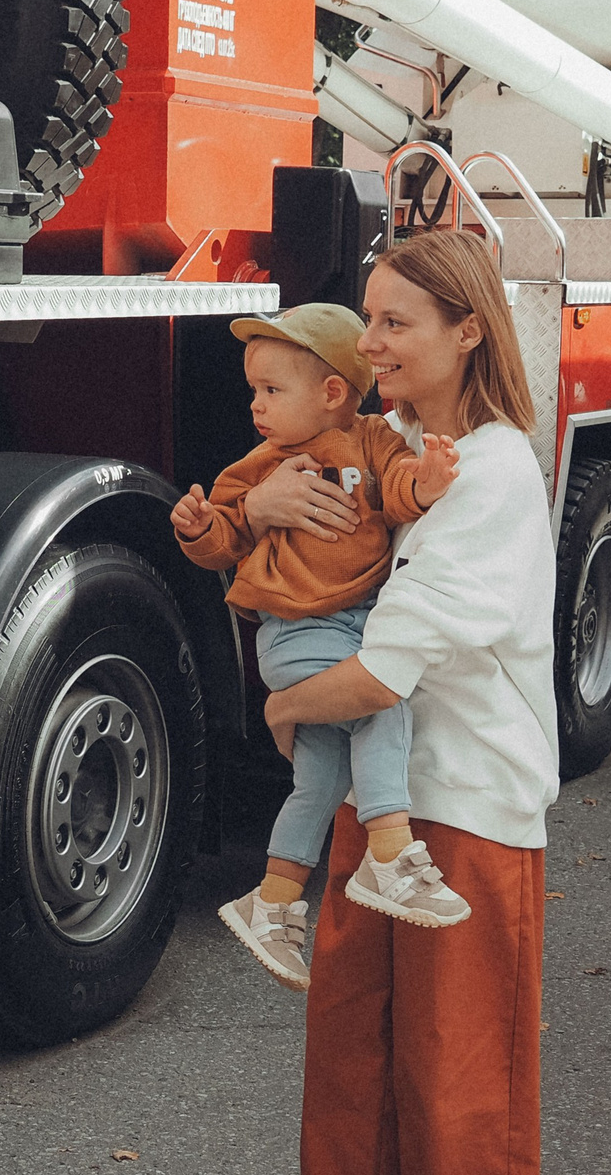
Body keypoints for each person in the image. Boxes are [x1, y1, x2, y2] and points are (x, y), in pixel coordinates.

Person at [231, 227, 560, 1175]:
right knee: (351, 1049)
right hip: (383, 805)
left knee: (452, 1063)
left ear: (468, 330)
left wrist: (287, 711)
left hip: (464, 804)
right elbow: (282, 549)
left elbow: (386, 670)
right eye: (365, 319)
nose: (368, 342)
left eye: (395, 322)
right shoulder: (393, 447)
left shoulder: (496, 473)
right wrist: (264, 496)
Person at [169, 304, 465, 991]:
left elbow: (397, 492)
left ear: (333, 393)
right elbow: (226, 536)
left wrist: (426, 481)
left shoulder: (372, 443)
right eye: (254, 392)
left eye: (271, 391)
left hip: (357, 625)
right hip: (294, 636)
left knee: (323, 778)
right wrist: (198, 525)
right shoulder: (259, 465)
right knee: (380, 703)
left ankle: (270, 901)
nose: (256, 407)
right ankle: (391, 853)